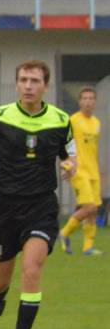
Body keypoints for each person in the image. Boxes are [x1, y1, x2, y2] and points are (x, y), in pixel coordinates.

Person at [0, 60, 76, 329]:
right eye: (23, 80)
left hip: (42, 206)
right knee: (0, 278)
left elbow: (70, 156)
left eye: (34, 80)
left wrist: (70, 166)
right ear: (16, 84)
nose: (28, 85)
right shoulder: (0, 117)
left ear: (45, 85)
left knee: (32, 268)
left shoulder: (59, 120)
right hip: (6, 207)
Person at [60, 88, 103, 256]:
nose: (88, 101)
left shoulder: (97, 123)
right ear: (79, 102)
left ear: (95, 102)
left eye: (91, 98)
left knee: (93, 210)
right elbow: (64, 144)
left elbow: (92, 149)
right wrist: (66, 165)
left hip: (93, 171)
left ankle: (88, 247)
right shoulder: (73, 121)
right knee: (89, 206)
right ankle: (64, 233)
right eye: (84, 98)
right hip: (78, 171)